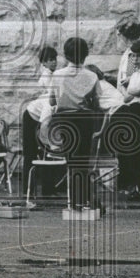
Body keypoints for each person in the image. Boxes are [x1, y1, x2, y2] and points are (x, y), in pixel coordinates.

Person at [92, 64, 140, 202]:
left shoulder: (96, 86)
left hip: (121, 117)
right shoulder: (106, 86)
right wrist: (101, 131)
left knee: (134, 156)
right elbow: (108, 111)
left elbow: (97, 106)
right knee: (138, 155)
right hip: (128, 114)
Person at [49, 37, 102, 211]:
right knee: (83, 160)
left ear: (66, 55)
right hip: (85, 119)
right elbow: (97, 102)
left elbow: (51, 101)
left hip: (65, 119)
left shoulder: (57, 75)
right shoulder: (92, 76)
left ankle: (75, 201)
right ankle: (85, 199)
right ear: (85, 55)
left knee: (71, 160)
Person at [21, 47, 60, 202]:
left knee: (47, 154)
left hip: (42, 116)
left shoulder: (55, 82)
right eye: (50, 59)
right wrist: (50, 142)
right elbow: (44, 122)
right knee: (31, 153)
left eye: (54, 59)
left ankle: (48, 190)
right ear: (43, 62)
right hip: (32, 117)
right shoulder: (50, 98)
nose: (53, 62)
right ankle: (27, 191)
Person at [115, 16, 140, 90]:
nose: (118, 35)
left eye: (119, 32)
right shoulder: (128, 51)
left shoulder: (139, 52)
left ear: (125, 34)